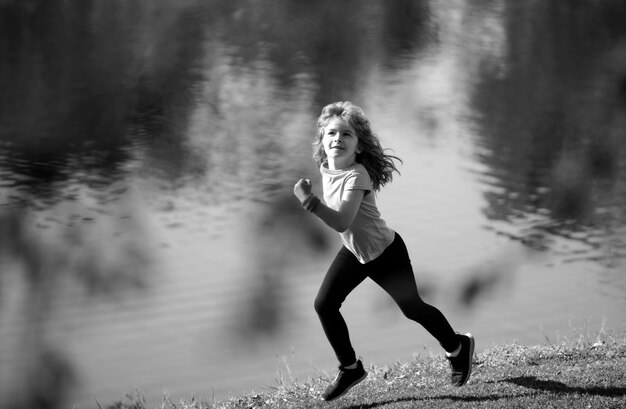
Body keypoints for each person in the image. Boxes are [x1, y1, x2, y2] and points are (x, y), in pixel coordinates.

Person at [293, 101, 474, 402]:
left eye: (346, 135)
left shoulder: (357, 175)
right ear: (322, 141)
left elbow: (341, 221)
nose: (338, 139)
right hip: (355, 252)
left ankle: (457, 347)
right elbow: (344, 225)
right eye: (332, 134)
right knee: (324, 304)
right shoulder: (327, 168)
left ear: (359, 147)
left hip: (385, 253)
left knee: (412, 308)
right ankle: (350, 367)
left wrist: (308, 202)